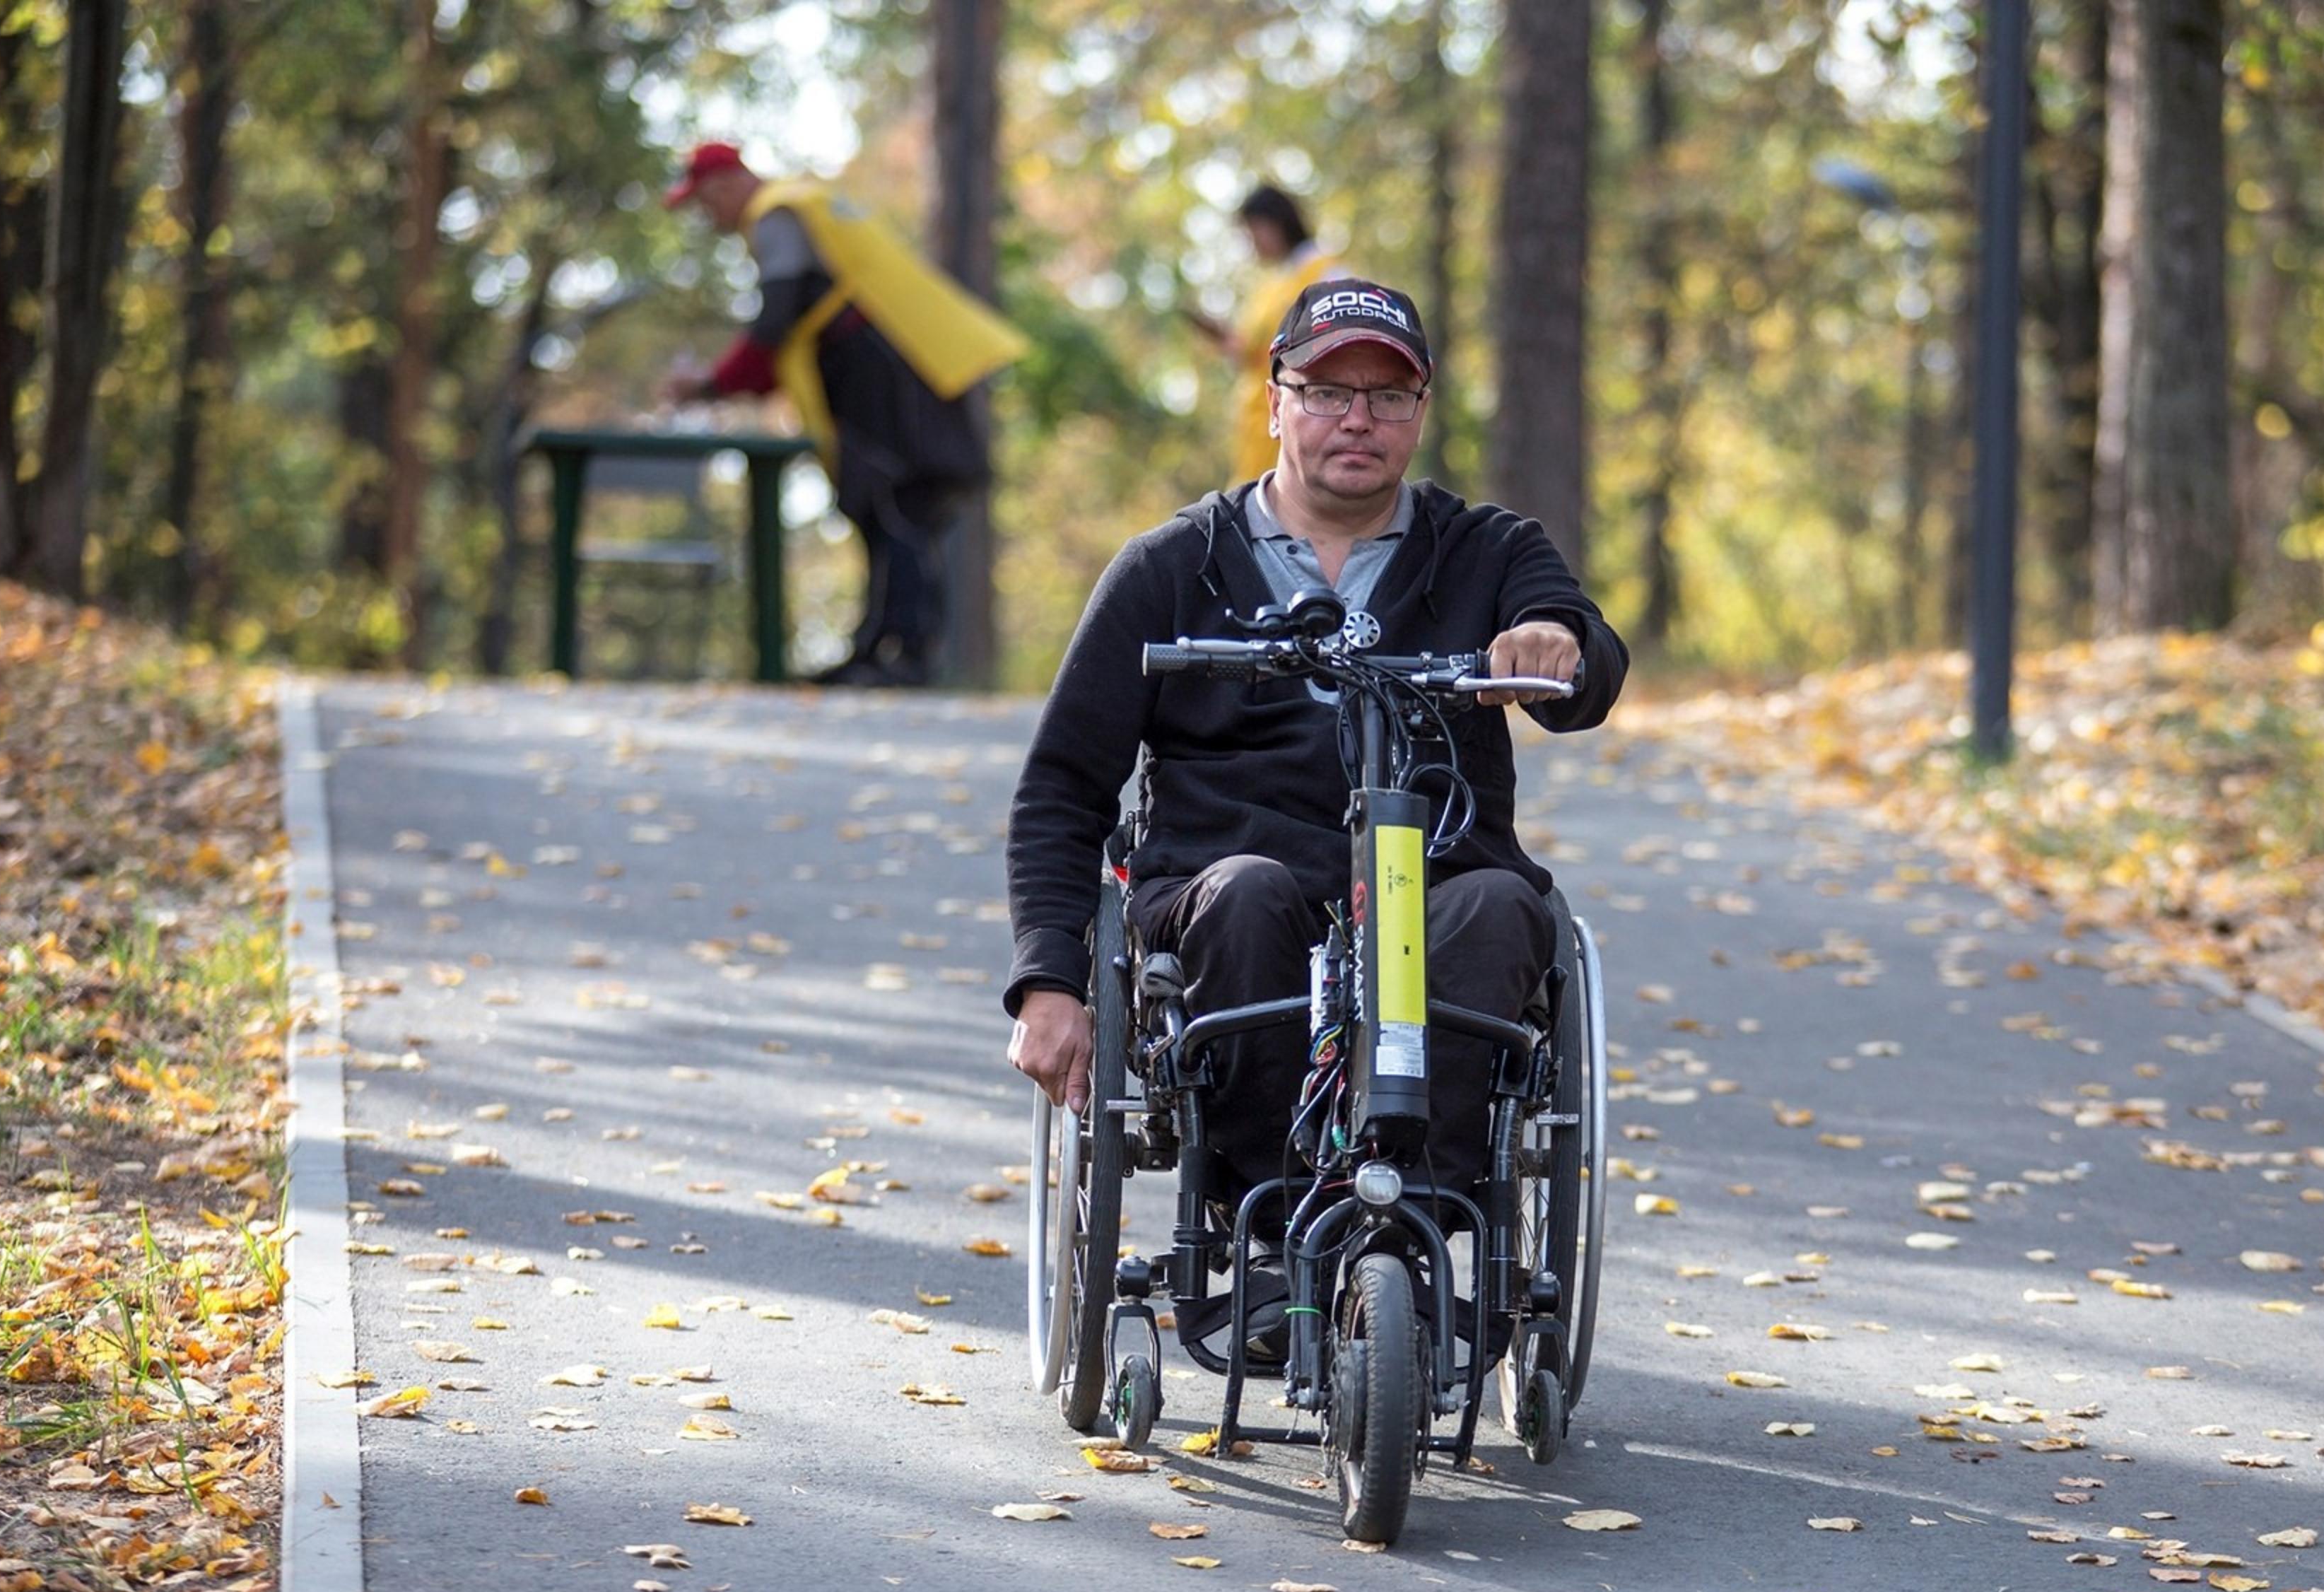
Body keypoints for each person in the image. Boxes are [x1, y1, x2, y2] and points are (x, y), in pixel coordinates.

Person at [1004, 277, 1626, 1322]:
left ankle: (1415, 1225)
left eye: (1388, 396)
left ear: (1420, 413)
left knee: (1503, 910)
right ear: (1276, 401)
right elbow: (1063, 786)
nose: (1358, 418)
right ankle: (1264, 1228)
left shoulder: (1488, 552)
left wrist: (1556, 638)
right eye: (1329, 389)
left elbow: (1583, 667)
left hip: (1435, 875)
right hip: (1224, 888)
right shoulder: (1173, 568)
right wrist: (1046, 980)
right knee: (1248, 897)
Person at [660, 142, 1026, 686]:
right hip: (911, 367)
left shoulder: (776, 215)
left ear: (724, 185)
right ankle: (884, 647)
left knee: (892, 505)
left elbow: (774, 325)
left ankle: (898, 654)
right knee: (898, 510)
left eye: (703, 204)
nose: (707, 217)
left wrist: (710, 384)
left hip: (878, 380)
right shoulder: (812, 201)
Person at [1180, 185, 1346, 488]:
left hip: (1300, 425)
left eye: (1250, 232)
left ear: (1272, 224)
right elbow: (1251, 352)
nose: (1250, 243)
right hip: (1257, 428)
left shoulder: (1327, 275)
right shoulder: (1269, 285)